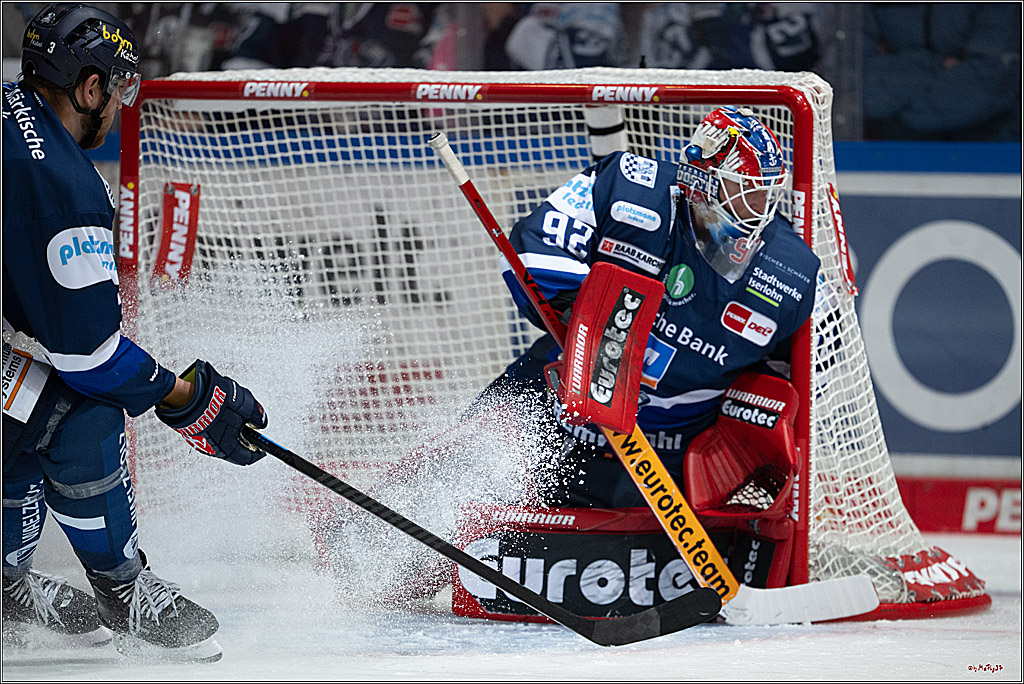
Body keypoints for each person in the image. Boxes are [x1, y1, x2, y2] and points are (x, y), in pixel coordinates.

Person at [3, 3, 269, 662]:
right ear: (89, 87)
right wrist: (185, 398)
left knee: (25, 397)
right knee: (73, 413)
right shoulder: (59, 183)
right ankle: (123, 595)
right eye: (118, 89)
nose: (121, 104)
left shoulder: (13, 119)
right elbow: (89, 358)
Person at [475, 105, 820, 509]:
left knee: (622, 564)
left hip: (666, 455)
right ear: (702, 177)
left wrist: (744, 442)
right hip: (552, 406)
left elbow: (807, 375)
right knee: (450, 487)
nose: (759, 205)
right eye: (745, 187)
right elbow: (534, 250)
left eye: (765, 190)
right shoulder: (630, 186)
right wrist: (586, 325)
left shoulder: (791, 271)